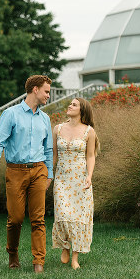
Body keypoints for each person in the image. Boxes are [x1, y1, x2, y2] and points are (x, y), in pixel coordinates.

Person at [0, 75, 54, 273]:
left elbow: (48, 149)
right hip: (15, 171)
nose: (48, 96)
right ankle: (13, 253)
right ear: (35, 89)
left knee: (38, 218)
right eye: (46, 91)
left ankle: (38, 262)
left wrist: (49, 173)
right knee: (15, 218)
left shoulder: (45, 118)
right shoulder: (11, 114)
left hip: (39, 171)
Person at [51, 97, 100, 269]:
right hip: (62, 179)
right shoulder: (57, 129)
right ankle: (65, 245)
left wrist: (89, 176)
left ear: (82, 110)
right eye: (70, 103)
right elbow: (54, 155)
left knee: (78, 217)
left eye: (74, 104)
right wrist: (49, 174)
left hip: (80, 179)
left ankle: (75, 257)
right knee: (63, 213)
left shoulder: (89, 131)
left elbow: (90, 156)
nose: (70, 106)